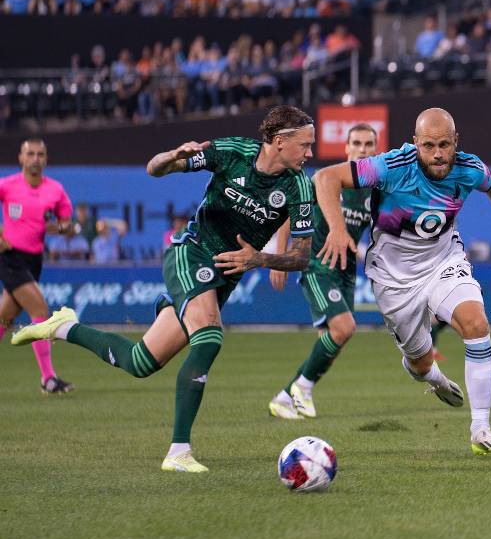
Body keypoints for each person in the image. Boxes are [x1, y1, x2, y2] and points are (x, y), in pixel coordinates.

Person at [13, 105, 317, 472]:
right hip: (191, 252)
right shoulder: (234, 152)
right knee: (210, 336)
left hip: (225, 275)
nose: (310, 153)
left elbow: (302, 256)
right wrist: (172, 156)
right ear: (280, 141)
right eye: (305, 144)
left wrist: (260, 259)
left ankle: (63, 327)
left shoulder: (299, 186)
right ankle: (178, 451)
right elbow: (154, 169)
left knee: (139, 362)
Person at [314, 107, 491, 455]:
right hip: (393, 279)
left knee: (476, 323)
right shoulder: (391, 166)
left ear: (456, 142)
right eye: (428, 146)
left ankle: (481, 428)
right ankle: (434, 378)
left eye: (444, 145)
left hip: (444, 261)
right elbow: (325, 178)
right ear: (415, 143)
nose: (437, 154)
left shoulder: (469, 168)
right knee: (420, 362)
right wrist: (337, 229)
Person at [267, 123, 377, 419]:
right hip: (317, 265)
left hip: (346, 271)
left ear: (376, 149)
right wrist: (281, 256)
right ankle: (302, 389)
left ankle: (284, 397)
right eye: (357, 143)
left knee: (331, 342)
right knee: (345, 328)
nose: (362, 150)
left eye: (368, 144)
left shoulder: (375, 191)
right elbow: (290, 212)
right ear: (347, 147)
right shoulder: (328, 179)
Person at [0, 138, 77, 393]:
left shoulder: (55, 190)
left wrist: (61, 227)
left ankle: (48, 379)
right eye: (30, 154)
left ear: (45, 159)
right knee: (40, 308)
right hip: (10, 257)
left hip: (34, 260)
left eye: (40, 154)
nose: (35, 158)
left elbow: (67, 223)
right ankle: (48, 379)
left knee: (4, 317)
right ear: (21, 158)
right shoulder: (7, 185)